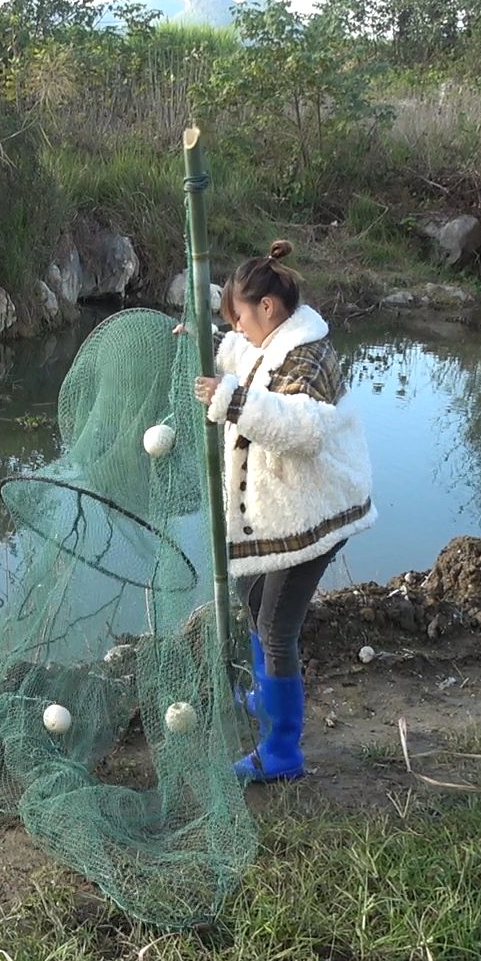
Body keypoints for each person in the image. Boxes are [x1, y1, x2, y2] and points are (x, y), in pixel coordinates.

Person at [189, 240, 376, 784]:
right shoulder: (278, 340)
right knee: (253, 596)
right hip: (291, 511)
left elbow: (304, 431)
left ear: (267, 308)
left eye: (241, 318)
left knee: (275, 626)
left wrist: (233, 400)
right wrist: (208, 345)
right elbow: (249, 357)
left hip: (316, 513)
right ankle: (266, 697)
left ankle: (282, 750)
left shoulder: (308, 354)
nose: (239, 330)